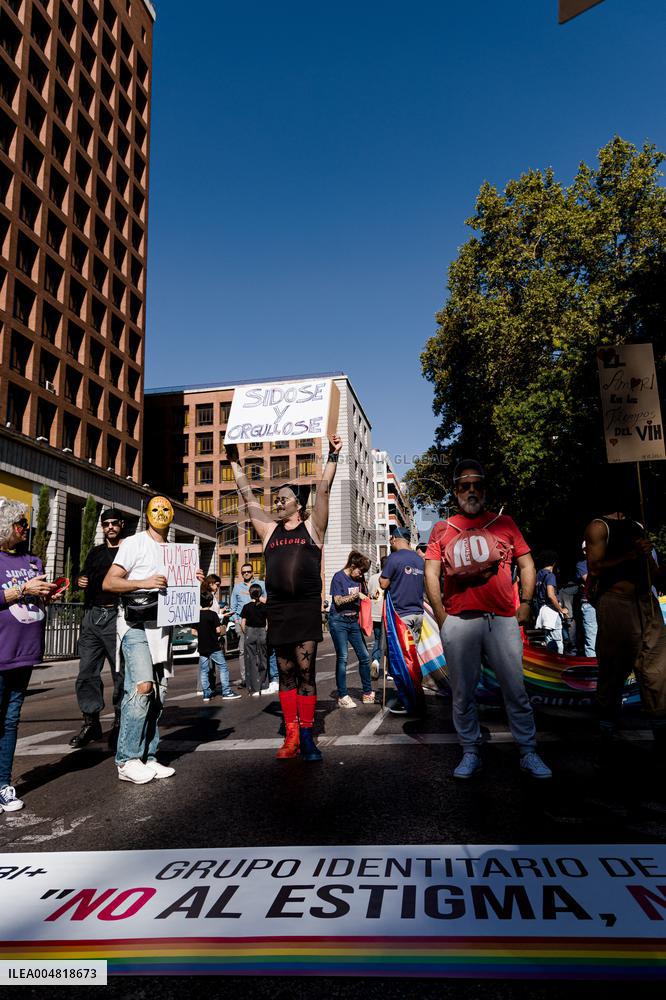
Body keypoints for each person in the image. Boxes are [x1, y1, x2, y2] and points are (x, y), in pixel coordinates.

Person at [425, 460, 552, 780]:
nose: (471, 491)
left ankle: (528, 751)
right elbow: (431, 572)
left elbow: (527, 564)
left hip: (502, 620)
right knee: (463, 692)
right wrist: (442, 617)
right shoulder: (442, 528)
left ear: (485, 489)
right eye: (464, 486)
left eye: (477, 485)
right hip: (460, 622)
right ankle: (470, 751)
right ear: (455, 492)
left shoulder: (504, 522)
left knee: (515, 689)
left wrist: (525, 603)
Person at [226, 435, 342, 761]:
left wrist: (332, 455)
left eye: (284, 499)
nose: (277, 503)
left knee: (305, 674)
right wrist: (235, 462)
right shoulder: (267, 532)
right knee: (286, 672)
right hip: (278, 609)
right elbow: (247, 496)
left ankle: (307, 736)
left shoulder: (314, 528)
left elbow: (324, 490)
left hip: (304, 608)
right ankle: (290, 735)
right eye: (276, 499)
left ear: (299, 505)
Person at [103, 495, 204, 784]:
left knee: (158, 694)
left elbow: (181, 596)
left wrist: (192, 580)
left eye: (166, 508)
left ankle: (148, 755)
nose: (160, 512)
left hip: (163, 629)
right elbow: (109, 582)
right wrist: (144, 582)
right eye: (155, 508)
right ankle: (127, 759)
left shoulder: (177, 552)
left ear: (172, 514)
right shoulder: (133, 543)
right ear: (147, 514)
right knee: (142, 687)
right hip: (134, 625)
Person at [584, 494, 666, 750]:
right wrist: (629, 555)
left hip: (646, 603)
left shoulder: (637, 527)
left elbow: (653, 573)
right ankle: (606, 734)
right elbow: (595, 567)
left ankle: (661, 733)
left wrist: (649, 558)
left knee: (657, 671)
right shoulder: (598, 526)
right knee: (613, 670)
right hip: (616, 604)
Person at [0, 500, 57, 812]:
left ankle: (3, 784)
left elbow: (36, 600)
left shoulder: (33, 560)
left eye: (24, 523)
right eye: (19, 523)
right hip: (1, 650)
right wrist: (23, 590)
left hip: (24, 653)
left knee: (10, 720)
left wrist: (47, 593)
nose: (24, 527)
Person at [70, 508, 125, 751]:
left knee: (120, 674)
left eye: (114, 523)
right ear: (102, 527)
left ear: (121, 525)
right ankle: (91, 722)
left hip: (117, 615)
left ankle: (121, 723)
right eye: (106, 524)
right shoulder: (95, 552)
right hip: (92, 616)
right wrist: (78, 580)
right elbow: (84, 576)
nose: (110, 527)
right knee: (86, 673)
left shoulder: (129, 550)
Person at [329, 551, 374, 708]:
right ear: (352, 566)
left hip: (353, 621)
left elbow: (365, 596)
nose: (361, 574)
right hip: (338, 621)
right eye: (360, 571)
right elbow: (338, 601)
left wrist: (372, 596)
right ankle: (342, 695)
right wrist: (356, 596)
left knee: (364, 656)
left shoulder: (360, 580)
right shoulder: (338, 577)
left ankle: (367, 692)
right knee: (343, 658)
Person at [193, 590, 240, 703]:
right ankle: (226, 691)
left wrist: (202, 634)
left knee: (204, 670)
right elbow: (218, 630)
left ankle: (206, 693)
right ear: (210, 602)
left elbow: (193, 632)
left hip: (202, 647)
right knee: (223, 667)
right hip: (214, 646)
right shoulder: (213, 615)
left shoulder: (196, 615)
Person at [230, 563, 266, 689]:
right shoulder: (237, 587)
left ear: (252, 572)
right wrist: (236, 621)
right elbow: (233, 607)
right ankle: (246, 678)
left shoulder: (261, 584)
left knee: (261, 650)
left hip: (260, 623)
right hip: (243, 624)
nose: (246, 574)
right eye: (243, 572)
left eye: (248, 571)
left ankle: (261, 677)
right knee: (242, 651)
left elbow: (267, 602)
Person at [534, 552, 569, 655]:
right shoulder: (550, 575)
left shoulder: (539, 574)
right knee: (558, 642)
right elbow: (550, 594)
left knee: (549, 640)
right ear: (554, 563)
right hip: (551, 611)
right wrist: (561, 609)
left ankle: (551, 664)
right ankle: (559, 665)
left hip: (543, 610)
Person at [241, 584, 268, 696]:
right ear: (260, 594)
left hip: (250, 632)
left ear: (250, 593)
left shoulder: (246, 607)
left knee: (251, 660)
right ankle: (264, 685)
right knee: (263, 658)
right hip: (262, 632)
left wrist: (246, 632)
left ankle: (254, 688)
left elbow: (243, 623)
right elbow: (267, 623)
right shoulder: (264, 607)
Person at [367, 556, 387, 679]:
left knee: (378, 639)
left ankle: (375, 660)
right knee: (390, 642)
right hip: (386, 613)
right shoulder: (390, 578)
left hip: (374, 614)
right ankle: (388, 668)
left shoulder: (373, 578)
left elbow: (369, 593)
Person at [575, 544, 598, 658]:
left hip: (604, 603)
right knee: (592, 638)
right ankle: (592, 668)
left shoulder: (604, 561)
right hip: (589, 604)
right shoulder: (581, 565)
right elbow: (589, 580)